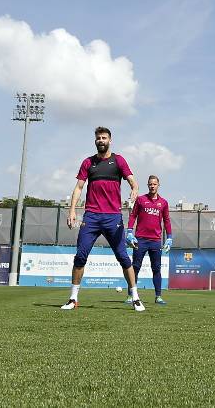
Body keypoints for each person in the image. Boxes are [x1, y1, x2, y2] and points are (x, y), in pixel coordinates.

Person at [61, 127, 142, 311]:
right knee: (80, 256)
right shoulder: (88, 163)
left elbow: (133, 183)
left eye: (104, 138)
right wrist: (72, 210)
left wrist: (134, 192)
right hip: (91, 216)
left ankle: (135, 297)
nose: (101, 140)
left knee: (123, 257)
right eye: (98, 138)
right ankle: (73, 299)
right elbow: (79, 188)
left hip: (113, 217)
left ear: (110, 140)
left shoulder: (119, 160)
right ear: (95, 141)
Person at [127, 174, 173, 305]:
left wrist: (169, 237)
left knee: (156, 269)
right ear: (148, 185)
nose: (152, 186)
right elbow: (133, 216)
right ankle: (131, 295)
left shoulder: (163, 203)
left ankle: (158, 296)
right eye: (150, 184)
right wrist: (129, 231)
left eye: (154, 184)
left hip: (155, 241)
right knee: (135, 267)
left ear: (158, 185)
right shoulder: (141, 200)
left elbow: (167, 221)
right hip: (140, 239)